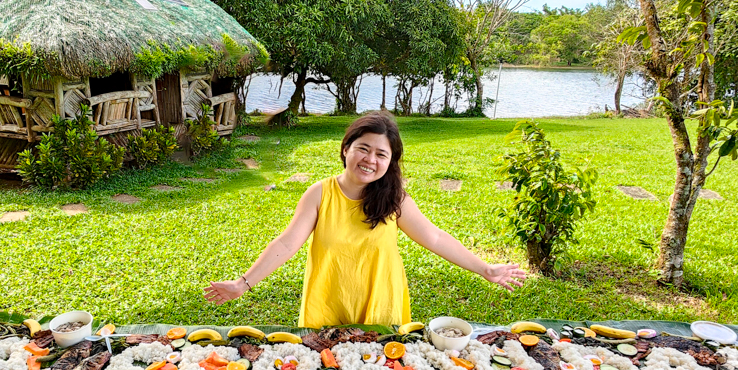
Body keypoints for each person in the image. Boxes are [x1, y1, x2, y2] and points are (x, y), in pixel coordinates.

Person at [203, 111, 527, 327]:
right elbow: (287, 242)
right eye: (363, 148)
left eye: (381, 154)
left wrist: (486, 268)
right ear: (346, 148)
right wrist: (243, 283)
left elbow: (435, 238)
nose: (370, 160)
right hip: (326, 307)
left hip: (380, 307)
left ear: (390, 161)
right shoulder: (319, 194)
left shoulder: (394, 199)